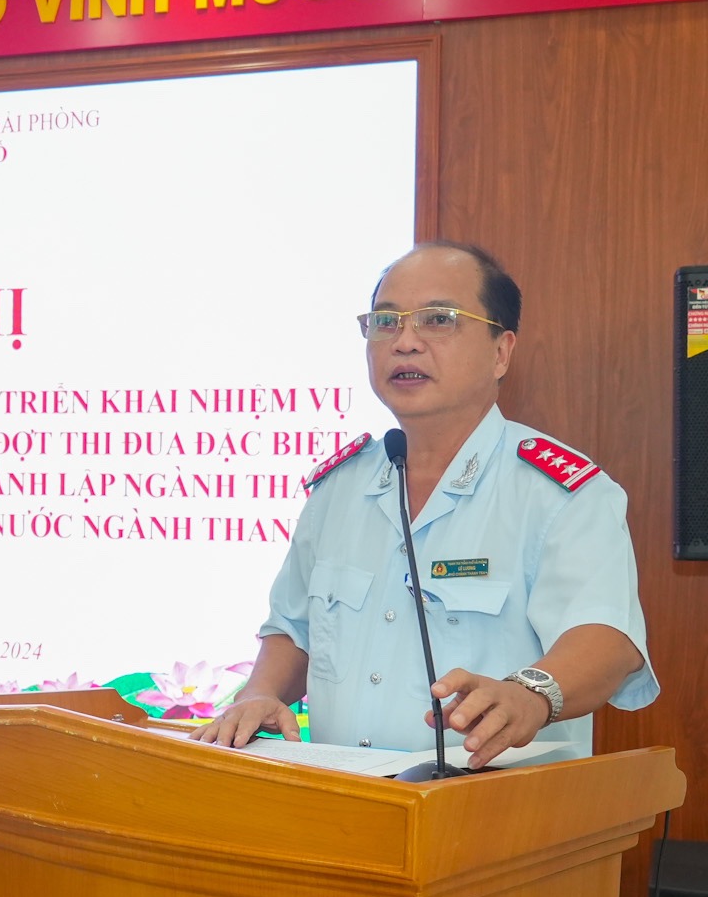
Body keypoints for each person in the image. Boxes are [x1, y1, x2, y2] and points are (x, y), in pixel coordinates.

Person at [192, 241, 657, 768]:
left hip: (494, 803)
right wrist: (260, 693)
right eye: (385, 322)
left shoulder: (559, 493)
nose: (405, 342)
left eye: (438, 320)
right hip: (342, 798)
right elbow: (294, 631)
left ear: (501, 352)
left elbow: (608, 641)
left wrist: (530, 695)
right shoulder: (338, 489)